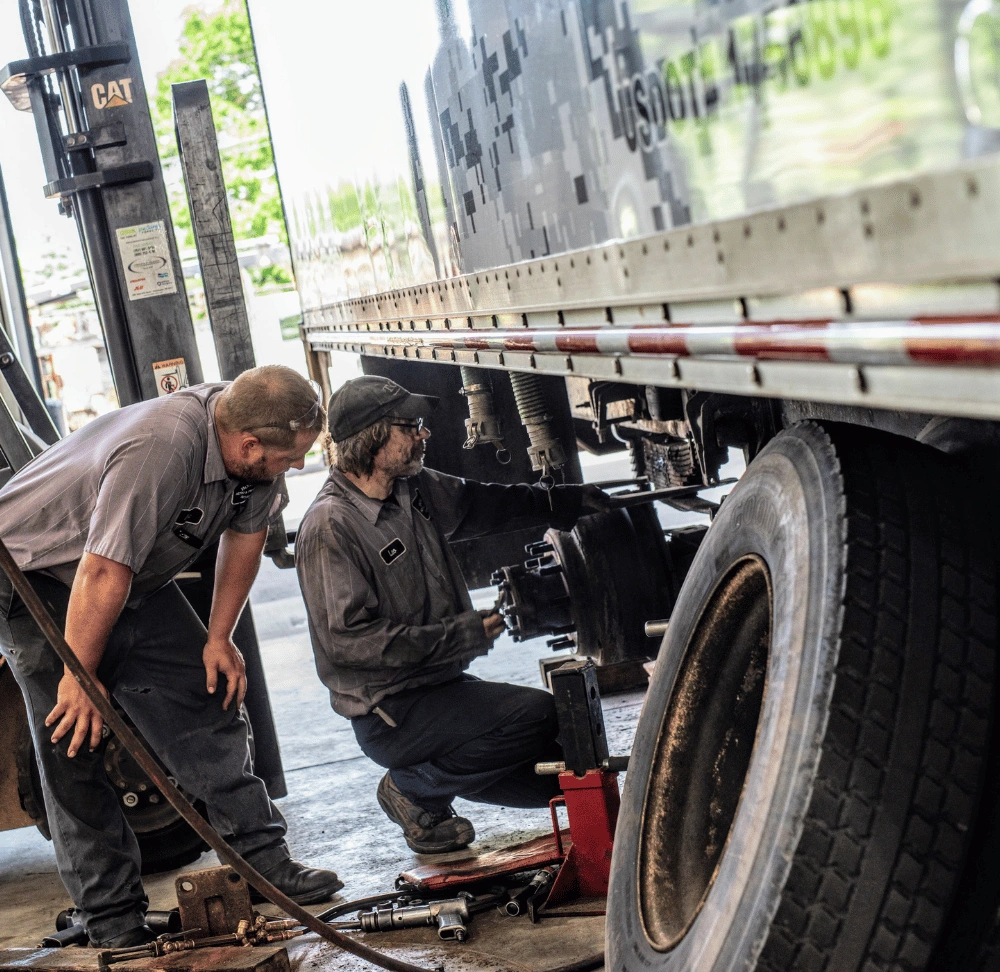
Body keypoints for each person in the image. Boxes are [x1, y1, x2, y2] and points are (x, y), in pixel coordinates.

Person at [0, 366, 344, 947]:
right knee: (73, 740)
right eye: (290, 458)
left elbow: (246, 536)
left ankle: (262, 862)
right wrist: (79, 677)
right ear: (248, 445)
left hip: (121, 569)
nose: (297, 465)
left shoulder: (251, 448)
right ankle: (112, 917)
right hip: (33, 571)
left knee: (203, 694)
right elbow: (101, 571)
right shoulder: (161, 451)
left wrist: (218, 637)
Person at [295, 375, 611, 854]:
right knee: (535, 715)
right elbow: (350, 643)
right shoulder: (330, 526)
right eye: (410, 427)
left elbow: (480, 504)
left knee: (563, 770)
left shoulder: (411, 489)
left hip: (439, 688)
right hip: (392, 711)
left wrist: (563, 502)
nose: (423, 433)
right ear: (373, 437)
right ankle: (412, 788)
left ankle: (434, 787)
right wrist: (457, 636)